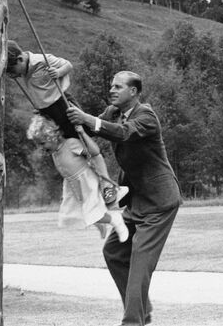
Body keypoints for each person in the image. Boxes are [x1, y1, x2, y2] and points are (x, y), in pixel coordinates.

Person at [67, 70, 182, 326]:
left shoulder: (146, 115)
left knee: (140, 263)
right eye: (111, 86)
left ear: (134, 92)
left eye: (118, 86)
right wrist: (60, 97)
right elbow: (88, 126)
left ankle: (132, 322)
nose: (112, 90)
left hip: (159, 202)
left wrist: (87, 118)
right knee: (114, 252)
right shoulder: (113, 112)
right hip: (135, 200)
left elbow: (122, 133)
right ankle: (143, 309)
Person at [7, 40, 118, 204]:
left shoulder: (41, 60)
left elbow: (68, 65)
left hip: (62, 105)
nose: (12, 75)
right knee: (61, 149)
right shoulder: (21, 68)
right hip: (46, 111)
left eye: (12, 70)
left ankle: (107, 185)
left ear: (20, 59)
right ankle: (83, 189)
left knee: (86, 143)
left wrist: (58, 72)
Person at [26, 114, 129, 241]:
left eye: (42, 143)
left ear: (52, 137)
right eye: (38, 145)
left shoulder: (71, 144)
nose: (41, 148)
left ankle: (116, 220)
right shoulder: (55, 153)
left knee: (92, 212)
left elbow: (94, 152)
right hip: (74, 186)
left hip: (87, 182)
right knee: (75, 214)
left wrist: (83, 134)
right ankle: (100, 224)